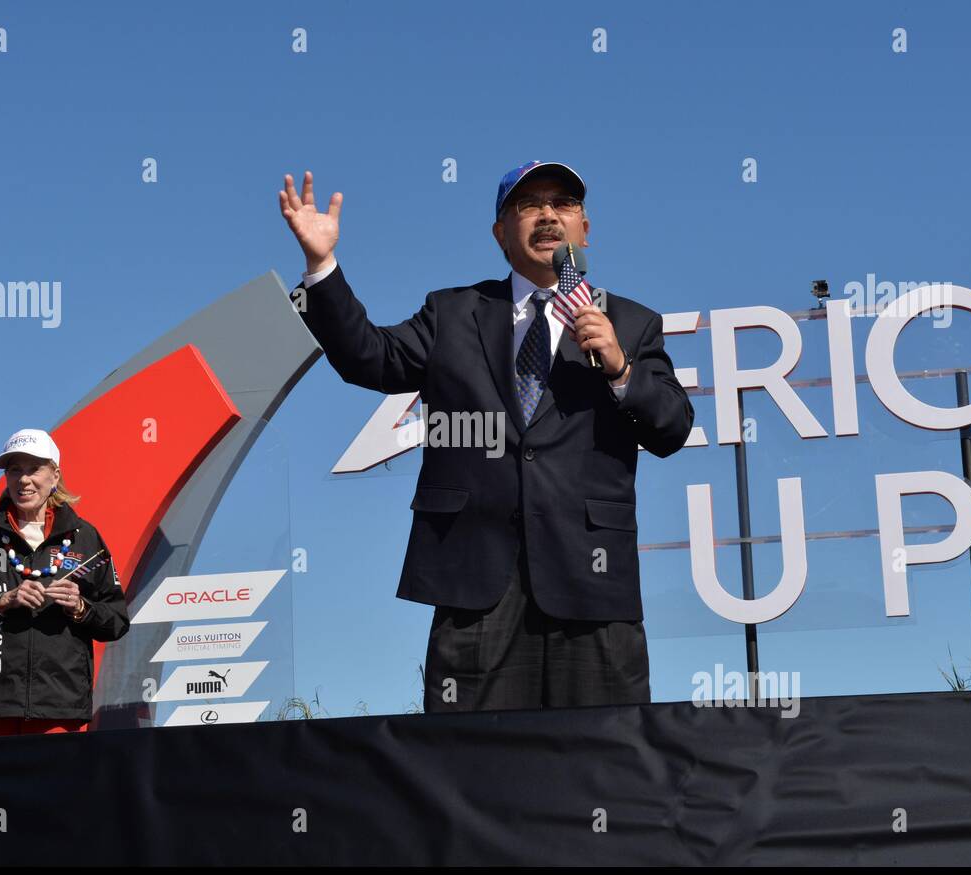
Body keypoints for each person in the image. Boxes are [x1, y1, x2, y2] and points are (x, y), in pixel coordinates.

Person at [279, 162, 695, 712]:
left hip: (591, 584)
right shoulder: (452, 313)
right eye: (528, 204)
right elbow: (370, 358)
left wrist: (620, 369)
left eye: (563, 203)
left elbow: (672, 427)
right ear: (501, 233)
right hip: (476, 586)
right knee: (473, 769)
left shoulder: (631, 323)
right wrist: (321, 266)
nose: (547, 214)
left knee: (606, 765)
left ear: (585, 229)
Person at [0, 429, 129, 736]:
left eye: (34, 469)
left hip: (59, 705)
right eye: (14, 470)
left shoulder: (86, 538)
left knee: (55, 786)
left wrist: (80, 607)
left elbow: (116, 621)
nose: (24, 480)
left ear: (55, 475)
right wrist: (0, 603)